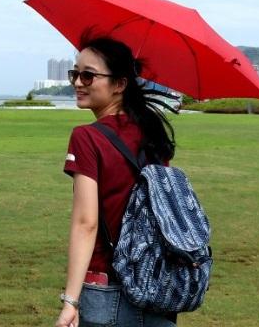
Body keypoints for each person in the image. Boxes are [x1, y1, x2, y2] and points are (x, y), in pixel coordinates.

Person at [56, 36, 177, 327]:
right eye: (74, 73)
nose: (77, 82)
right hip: (156, 286)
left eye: (89, 75)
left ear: (120, 84)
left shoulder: (87, 136)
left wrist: (71, 301)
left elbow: (87, 223)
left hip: (106, 293)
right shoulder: (153, 133)